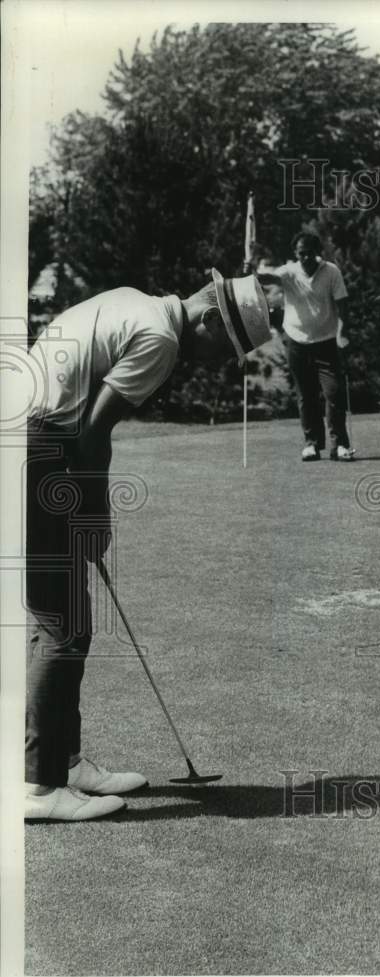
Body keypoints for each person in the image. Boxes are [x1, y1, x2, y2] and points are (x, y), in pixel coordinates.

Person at [25, 270, 271, 821]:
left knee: (65, 620)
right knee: (61, 624)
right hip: (36, 447)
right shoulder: (161, 339)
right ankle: (38, 788)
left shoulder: (132, 300)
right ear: (210, 319)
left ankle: (63, 763)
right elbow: (93, 432)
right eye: (223, 349)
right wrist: (96, 514)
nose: (212, 362)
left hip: (31, 439)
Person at [258, 233, 355, 462]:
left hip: (326, 342)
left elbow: (343, 306)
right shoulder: (289, 272)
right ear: (296, 254)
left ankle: (340, 444)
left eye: (310, 253)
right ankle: (311, 444)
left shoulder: (331, 272)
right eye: (301, 253)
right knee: (306, 396)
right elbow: (266, 278)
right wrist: (251, 267)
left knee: (333, 392)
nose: (306, 258)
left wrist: (342, 333)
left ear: (317, 252)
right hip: (297, 343)